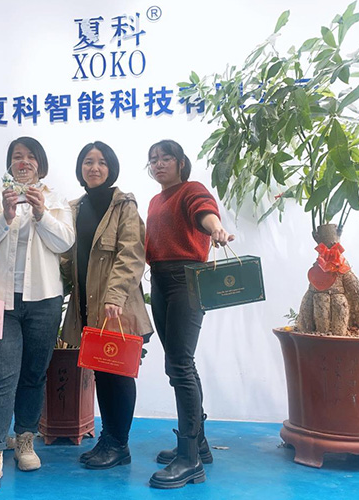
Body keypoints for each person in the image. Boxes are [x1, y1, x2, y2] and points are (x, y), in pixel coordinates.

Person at [0, 137, 75, 492]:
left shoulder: (55, 199)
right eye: (17, 156)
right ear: (9, 163)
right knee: (0, 376)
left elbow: (65, 242)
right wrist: (5, 216)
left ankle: (25, 439)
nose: (24, 162)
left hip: (44, 299)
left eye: (30, 157)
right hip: (0, 300)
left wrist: (42, 214)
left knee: (33, 373)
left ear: (40, 163)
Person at [145, 139, 234, 489]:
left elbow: (204, 211)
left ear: (181, 162)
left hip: (187, 279)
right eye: (153, 159)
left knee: (180, 364)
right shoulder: (155, 200)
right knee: (178, 363)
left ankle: (190, 459)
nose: (159, 164)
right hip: (160, 280)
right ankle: (198, 443)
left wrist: (216, 228)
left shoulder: (191, 189)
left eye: (166, 158)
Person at [60, 141, 152, 469]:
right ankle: (109, 438)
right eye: (88, 162)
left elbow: (131, 254)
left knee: (119, 374)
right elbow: (66, 257)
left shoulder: (123, 205)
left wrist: (114, 295)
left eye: (101, 162)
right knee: (102, 372)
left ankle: (119, 444)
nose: (94, 168)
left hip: (117, 306)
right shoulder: (74, 208)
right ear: (80, 168)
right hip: (87, 305)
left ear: (111, 167)